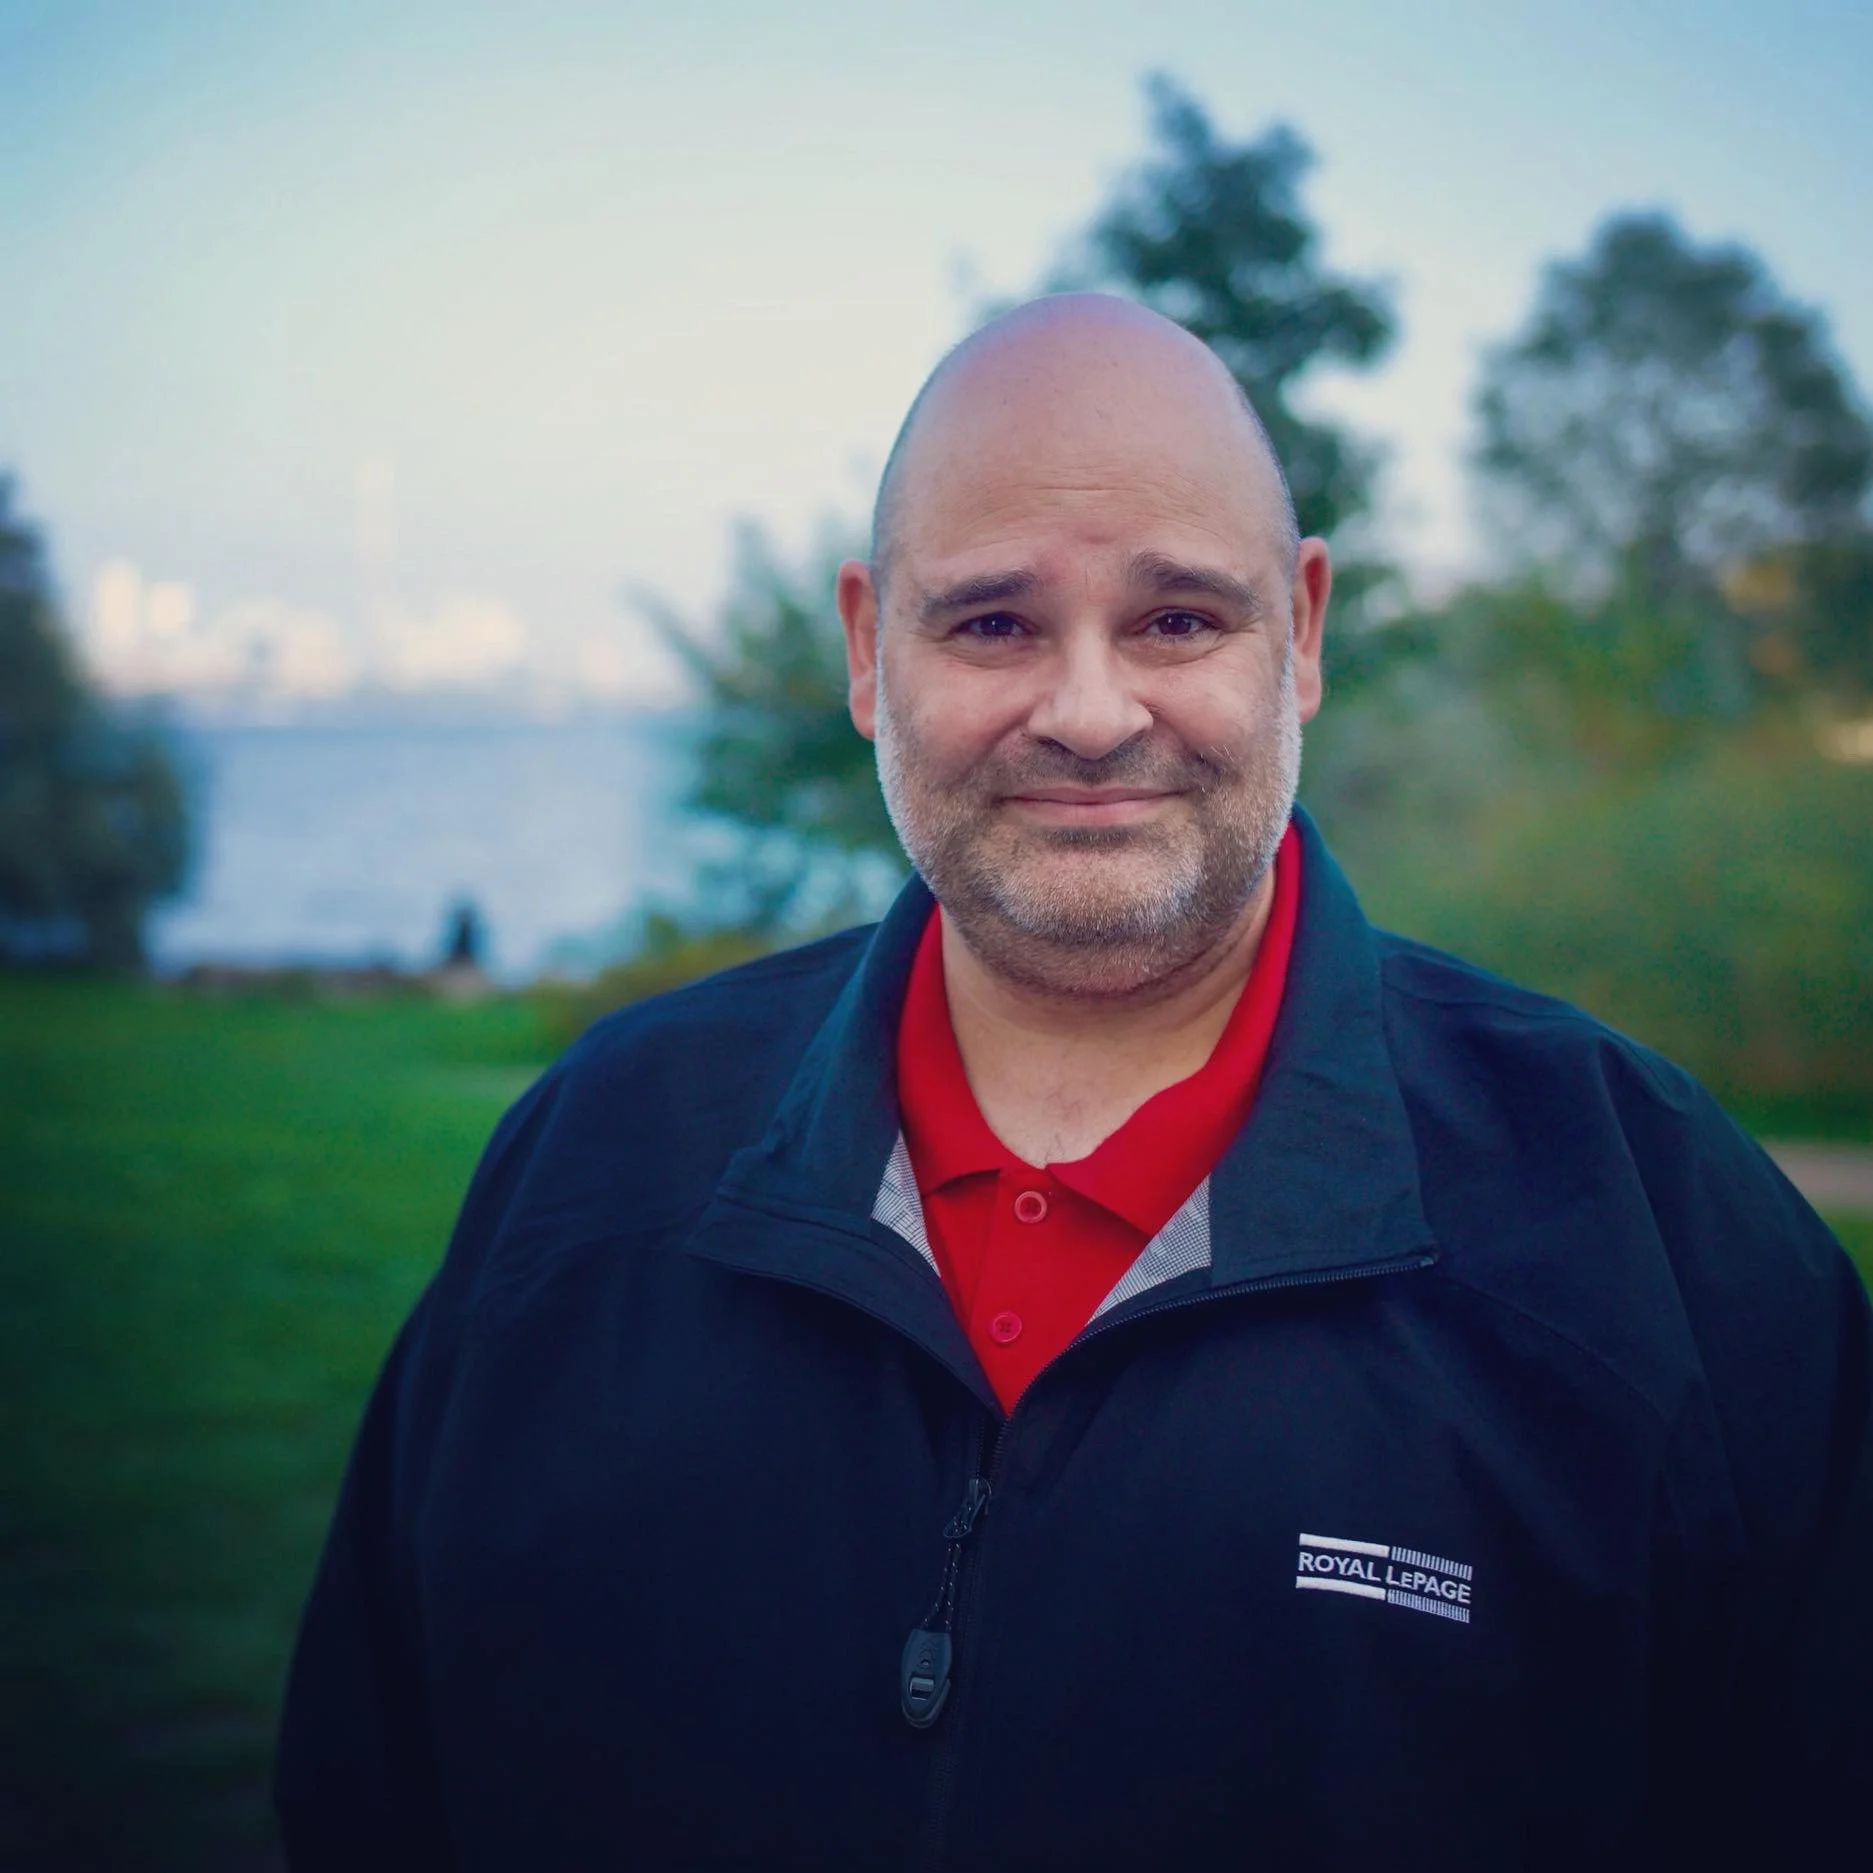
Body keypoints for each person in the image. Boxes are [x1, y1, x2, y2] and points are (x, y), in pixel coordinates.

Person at [274, 296, 1872, 1869]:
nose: (1092, 714)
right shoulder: (589, 1172)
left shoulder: (1655, 1237)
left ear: (1303, 634)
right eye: (993, 624)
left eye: (1180, 618)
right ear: (864, 650)